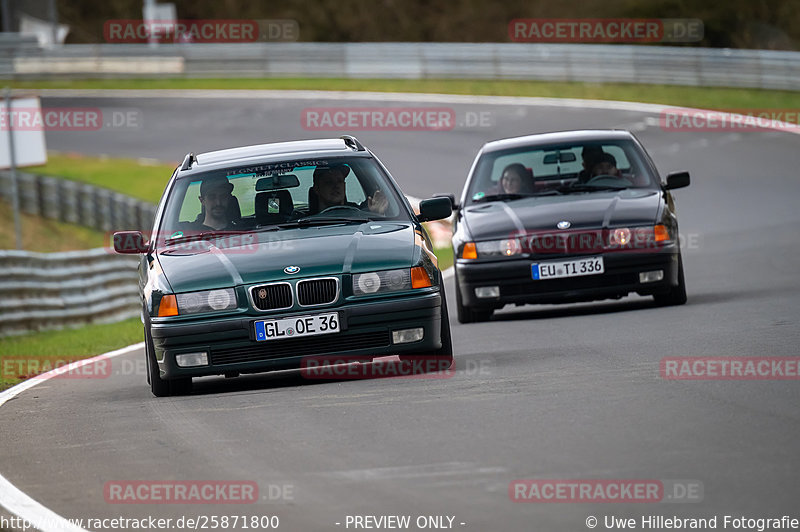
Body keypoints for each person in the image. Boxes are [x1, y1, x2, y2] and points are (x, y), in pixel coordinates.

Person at [308, 164, 388, 215]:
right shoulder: (302, 222)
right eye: (329, 182)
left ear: (344, 185)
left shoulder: (361, 214)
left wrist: (376, 213)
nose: (336, 186)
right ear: (316, 189)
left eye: (339, 181)